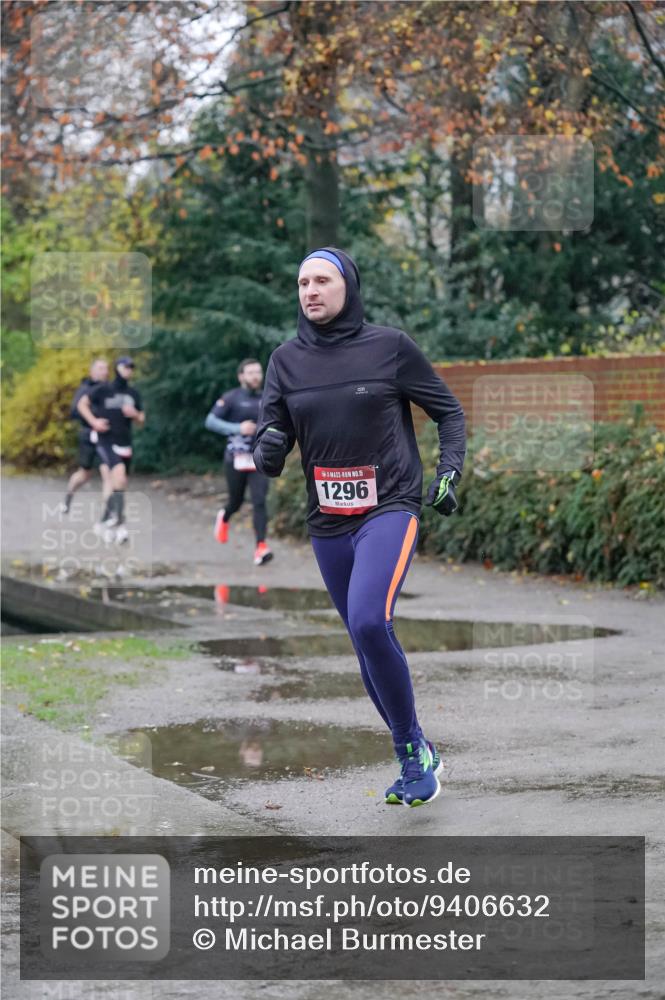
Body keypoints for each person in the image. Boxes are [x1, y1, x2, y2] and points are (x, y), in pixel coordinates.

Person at [253, 248, 466, 807]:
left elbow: (449, 411)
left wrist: (449, 470)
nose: (310, 291)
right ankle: (416, 746)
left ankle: (411, 756)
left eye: (322, 280)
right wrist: (267, 447)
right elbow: (270, 450)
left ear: (347, 285)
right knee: (362, 640)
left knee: (372, 621)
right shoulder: (285, 361)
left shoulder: (389, 347)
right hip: (328, 521)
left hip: (390, 506)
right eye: (302, 282)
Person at [205, 358, 273, 566]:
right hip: (236, 458)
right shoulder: (231, 398)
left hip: (259, 457)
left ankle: (261, 547)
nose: (255, 376)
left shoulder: (267, 397)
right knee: (236, 501)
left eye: (258, 372)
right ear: (241, 376)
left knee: (259, 501)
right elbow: (210, 421)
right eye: (250, 372)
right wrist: (237, 429)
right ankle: (225, 516)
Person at [76, 356, 145, 544]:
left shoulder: (133, 393)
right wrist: (94, 422)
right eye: (125, 366)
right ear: (117, 368)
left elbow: (141, 420)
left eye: (132, 367)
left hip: (125, 443)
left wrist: (136, 415)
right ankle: (119, 523)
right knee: (118, 477)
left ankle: (107, 521)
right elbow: (82, 404)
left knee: (119, 485)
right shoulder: (104, 389)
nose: (129, 370)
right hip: (106, 440)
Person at [61, 358, 111, 514]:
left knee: (108, 473)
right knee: (84, 473)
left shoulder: (110, 389)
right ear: (92, 371)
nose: (105, 371)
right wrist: (94, 421)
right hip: (88, 435)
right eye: (101, 368)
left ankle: (106, 513)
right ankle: (69, 495)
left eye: (106, 368)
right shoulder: (85, 389)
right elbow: (75, 411)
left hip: (106, 436)